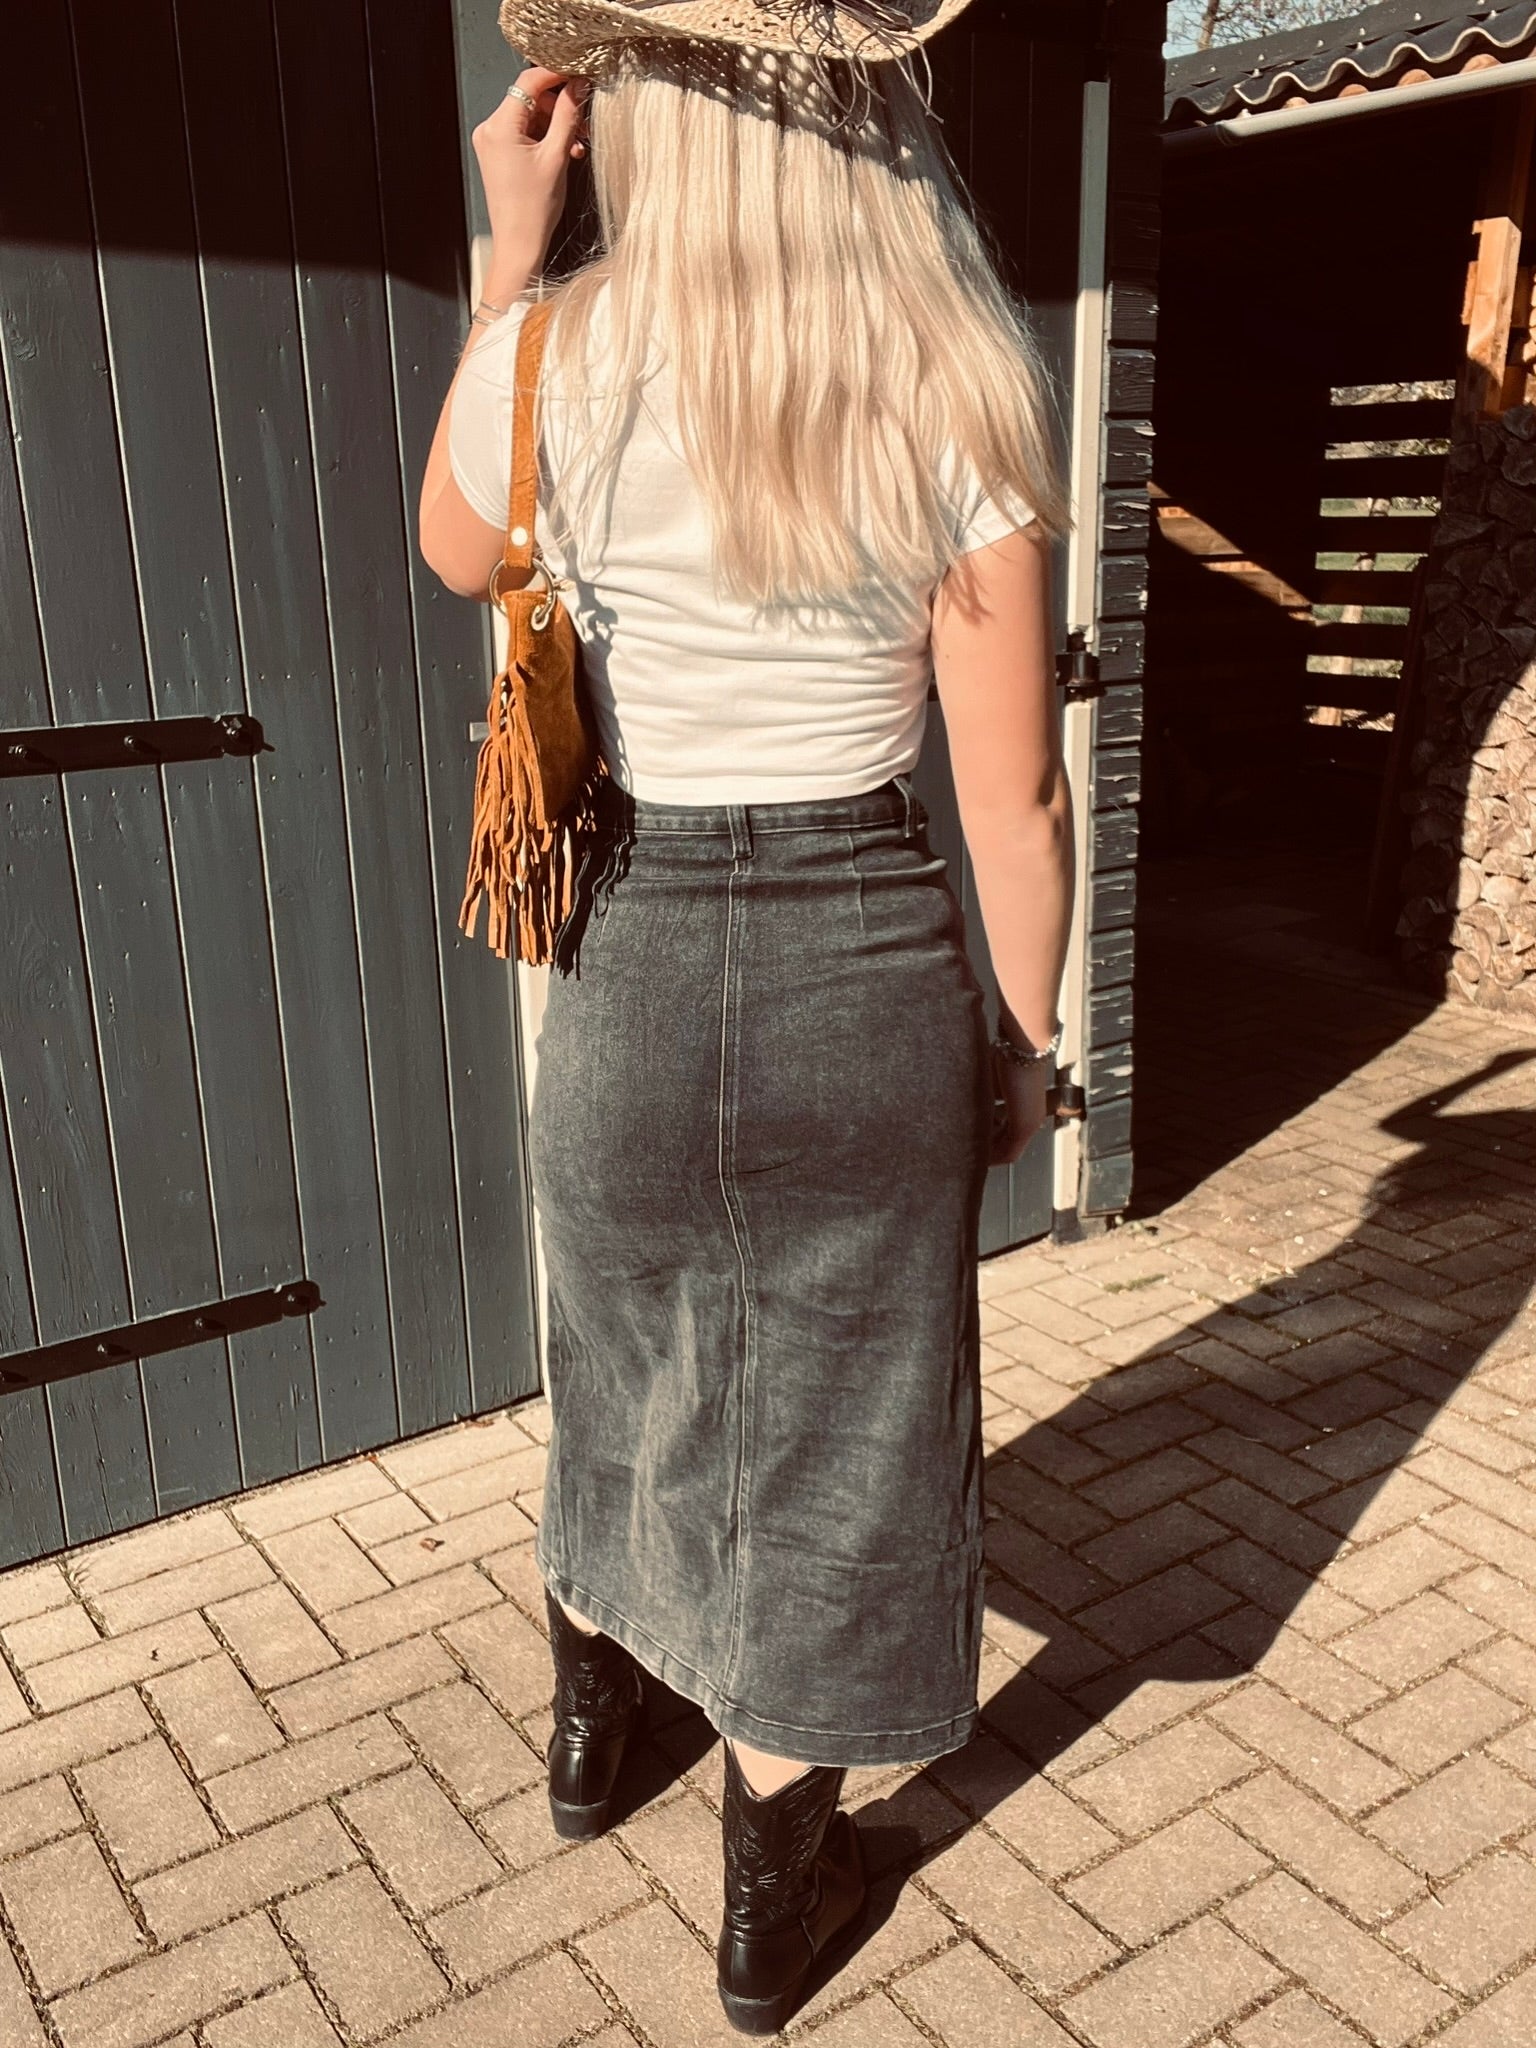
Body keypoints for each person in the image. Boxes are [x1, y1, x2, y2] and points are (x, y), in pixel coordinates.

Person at [418, 1, 1073, 2029]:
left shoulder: (551, 353)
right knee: (849, 1419)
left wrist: (508, 258)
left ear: (635, 114)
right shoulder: (954, 379)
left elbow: (456, 549)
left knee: (626, 1355)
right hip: (861, 956)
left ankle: (595, 1728)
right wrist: (1026, 1042)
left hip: (626, 945)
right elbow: (1016, 801)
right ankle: (774, 1898)